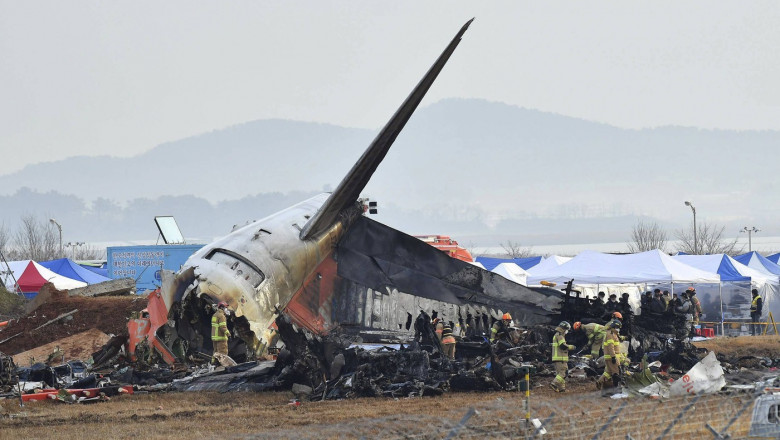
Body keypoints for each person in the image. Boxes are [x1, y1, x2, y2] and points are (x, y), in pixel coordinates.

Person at [596, 319, 624, 390]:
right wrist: (613, 357)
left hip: (609, 357)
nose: (618, 330)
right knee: (616, 373)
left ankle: (599, 382)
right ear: (615, 327)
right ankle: (616, 389)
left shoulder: (612, 333)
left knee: (608, 372)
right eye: (618, 328)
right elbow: (610, 347)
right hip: (612, 357)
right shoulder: (611, 334)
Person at [550, 321, 575, 392]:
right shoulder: (560, 335)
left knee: (561, 374)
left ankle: (562, 389)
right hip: (560, 358)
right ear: (564, 329)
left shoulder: (557, 335)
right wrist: (571, 347)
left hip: (558, 358)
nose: (567, 331)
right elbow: (563, 346)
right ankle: (554, 384)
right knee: (563, 373)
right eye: (567, 330)